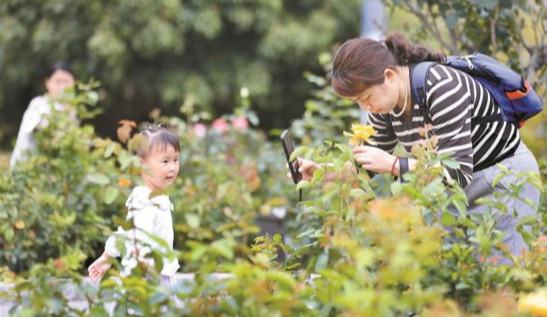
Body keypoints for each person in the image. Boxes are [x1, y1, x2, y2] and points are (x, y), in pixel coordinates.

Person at [296, 33, 540, 263]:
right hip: (453, 190)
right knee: (450, 279)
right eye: (358, 102)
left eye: (366, 98)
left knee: (503, 281)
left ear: (389, 76)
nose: (366, 108)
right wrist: (321, 172)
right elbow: (367, 166)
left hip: (503, 179)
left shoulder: (442, 86)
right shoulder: (385, 105)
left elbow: (457, 173)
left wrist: (394, 165)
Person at [88, 125, 180, 285]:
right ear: (141, 164)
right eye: (165, 161)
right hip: (148, 278)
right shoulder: (144, 200)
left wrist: (106, 257)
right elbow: (135, 238)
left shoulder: (156, 196)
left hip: (159, 275)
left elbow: (125, 231)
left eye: (175, 160)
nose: (172, 167)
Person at [10, 62, 76, 168]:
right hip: (26, 171)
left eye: (67, 82)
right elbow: (44, 134)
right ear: (47, 82)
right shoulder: (39, 104)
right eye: (58, 82)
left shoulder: (72, 110)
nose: (63, 87)